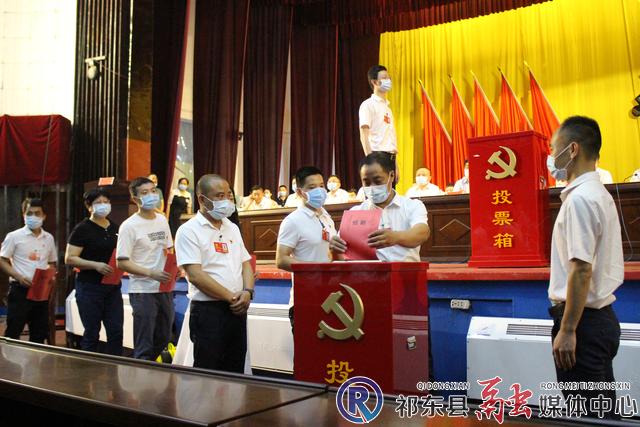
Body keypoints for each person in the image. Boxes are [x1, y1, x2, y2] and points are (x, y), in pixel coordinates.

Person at [547, 116, 623, 419]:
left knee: (590, 416)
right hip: (597, 320)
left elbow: (581, 269)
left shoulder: (581, 199)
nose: (552, 156)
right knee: (602, 412)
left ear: (573, 149)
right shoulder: (597, 194)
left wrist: (567, 330)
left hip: (583, 324)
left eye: (554, 148)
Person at [175, 174, 255, 372]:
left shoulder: (232, 227)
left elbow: (245, 263)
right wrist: (232, 298)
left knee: (235, 368)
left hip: (237, 309)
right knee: (208, 371)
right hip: (208, 311)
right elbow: (195, 275)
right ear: (202, 200)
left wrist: (248, 291)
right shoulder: (188, 230)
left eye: (228, 195)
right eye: (219, 196)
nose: (226, 200)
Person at [330, 152, 430, 262]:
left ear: (391, 176)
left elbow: (422, 232)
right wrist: (335, 249)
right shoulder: (355, 212)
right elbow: (343, 258)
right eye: (367, 182)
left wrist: (396, 237)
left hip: (406, 271)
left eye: (378, 181)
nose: (372, 187)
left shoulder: (412, 205)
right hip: (368, 272)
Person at [116, 177, 174, 360]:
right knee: (145, 342)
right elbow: (121, 262)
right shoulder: (129, 226)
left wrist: (174, 267)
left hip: (164, 288)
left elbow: (169, 249)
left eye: (153, 191)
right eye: (145, 193)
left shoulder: (162, 220)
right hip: (143, 290)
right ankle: (142, 371)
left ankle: (152, 370)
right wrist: (150, 273)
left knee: (164, 336)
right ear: (135, 199)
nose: (151, 195)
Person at [276, 166, 336, 331]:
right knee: (307, 346)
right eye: (312, 187)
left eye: (321, 186)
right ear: (300, 192)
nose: (320, 191)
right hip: (305, 298)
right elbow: (281, 259)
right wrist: (315, 270)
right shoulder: (293, 221)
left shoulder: (327, 217)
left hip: (330, 296)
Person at [65, 188, 123, 355]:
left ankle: (116, 366)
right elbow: (70, 258)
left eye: (106, 202)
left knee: (116, 330)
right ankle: (88, 367)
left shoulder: (115, 228)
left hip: (112, 287)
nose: (103, 205)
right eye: (98, 203)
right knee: (91, 332)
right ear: (89, 206)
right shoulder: (82, 229)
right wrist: (95, 265)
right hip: (89, 287)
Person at [0, 198, 57, 343]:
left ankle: (35, 358)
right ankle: (9, 358)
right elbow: (2, 260)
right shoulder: (14, 236)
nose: (33, 217)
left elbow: (51, 262)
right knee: (13, 331)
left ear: (44, 216)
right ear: (23, 215)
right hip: (20, 289)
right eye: (29, 213)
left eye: (37, 213)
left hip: (40, 291)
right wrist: (18, 276)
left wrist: (50, 276)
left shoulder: (48, 238)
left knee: (39, 332)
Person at [359, 65, 398, 175]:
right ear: (374, 82)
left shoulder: (388, 108)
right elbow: (364, 134)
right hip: (377, 156)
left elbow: (391, 139)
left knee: (390, 186)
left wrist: (396, 165)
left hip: (391, 158)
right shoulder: (368, 105)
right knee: (379, 186)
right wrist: (370, 161)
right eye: (384, 78)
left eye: (389, 78)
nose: (388, 80)